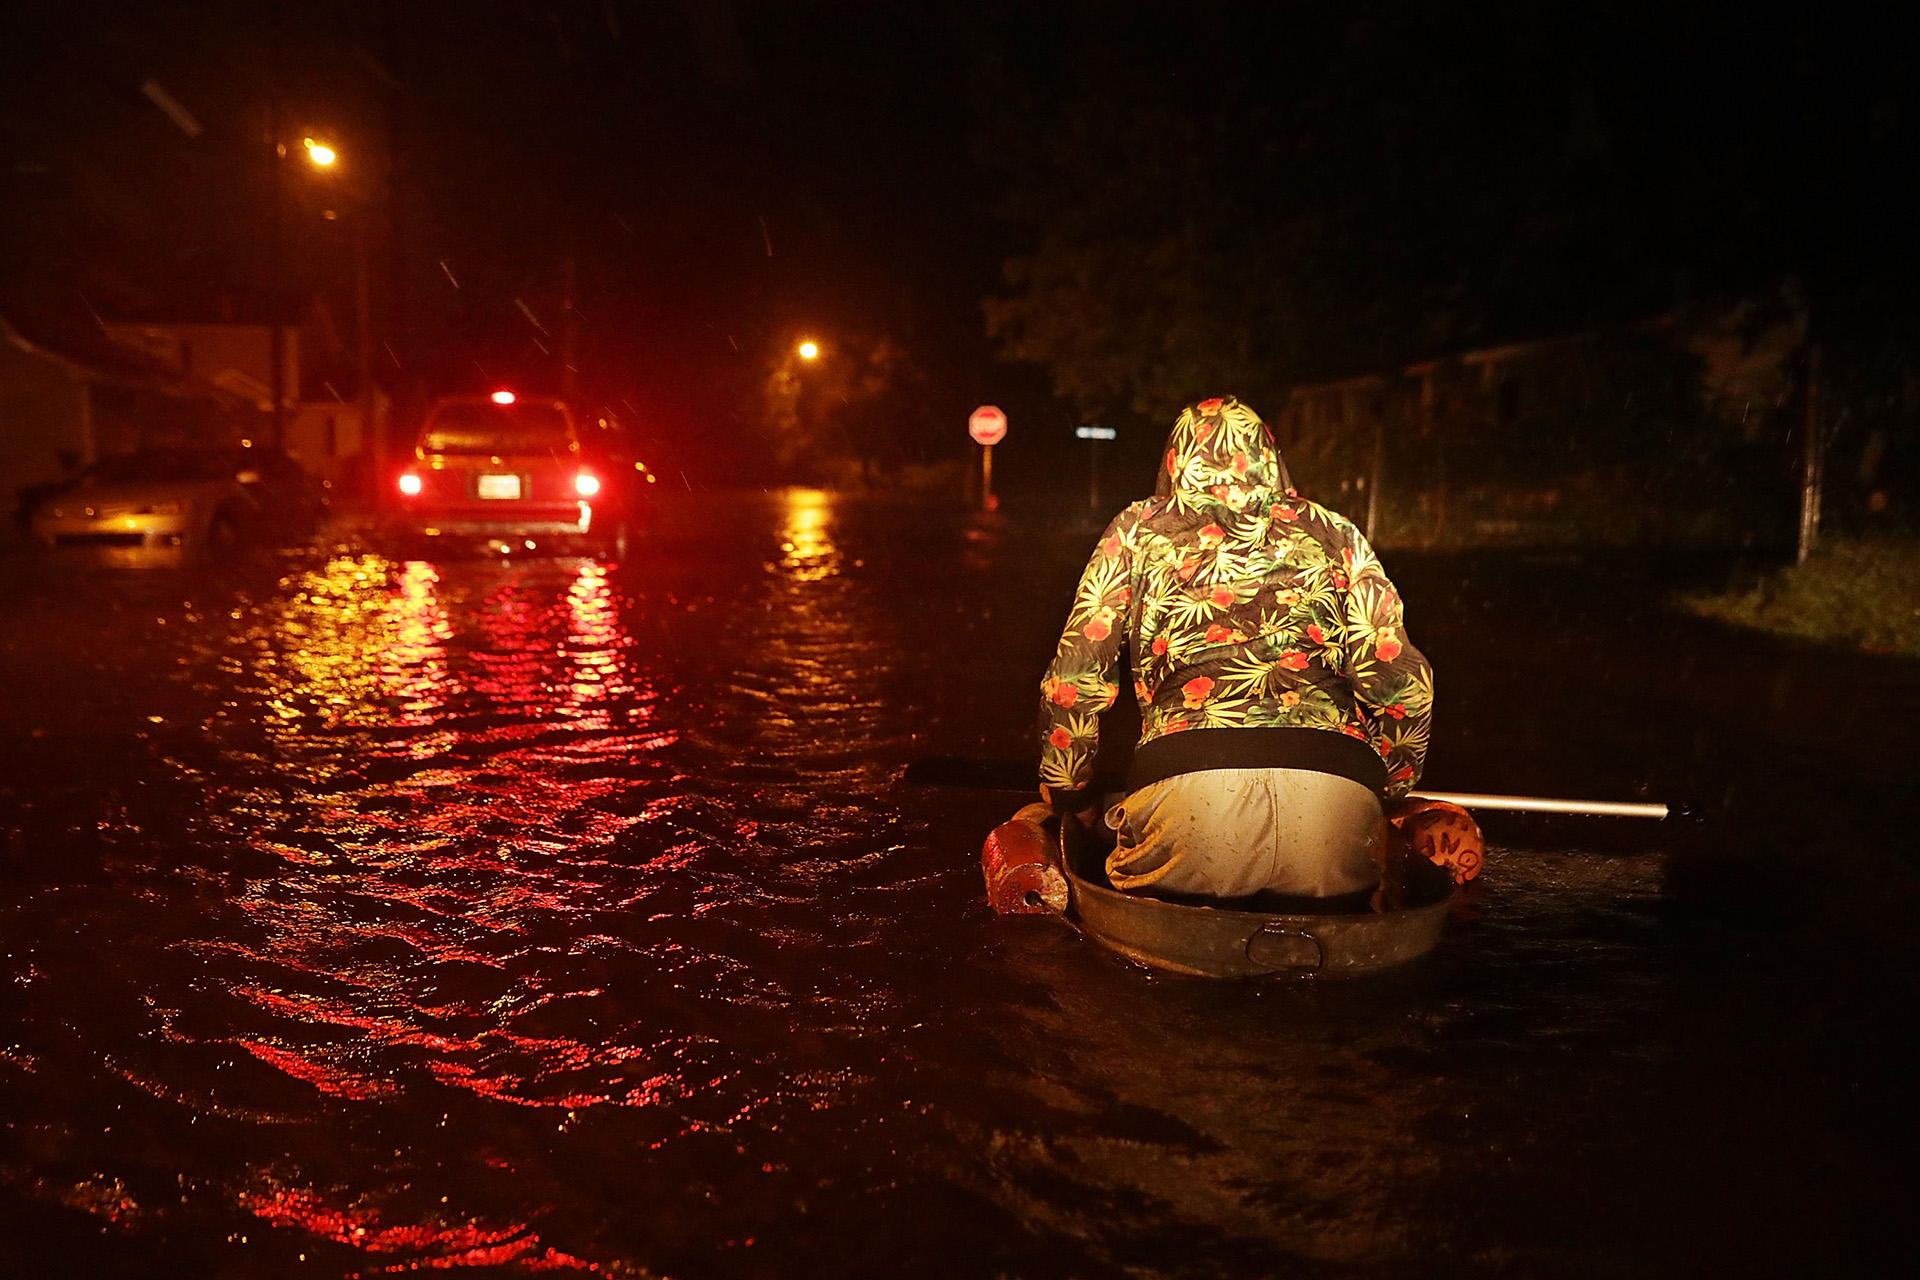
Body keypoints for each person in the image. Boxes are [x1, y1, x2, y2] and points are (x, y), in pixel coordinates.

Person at [1037, 396, 1434, 905]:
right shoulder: (1335, 534)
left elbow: (1074, 678)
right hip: (1335, 794)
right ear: (1271, 457)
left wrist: (1072, 792)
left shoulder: (1136, 532)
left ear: (1174, 462)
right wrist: (1388, 790)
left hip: (1188, 793)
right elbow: (1403, 682)